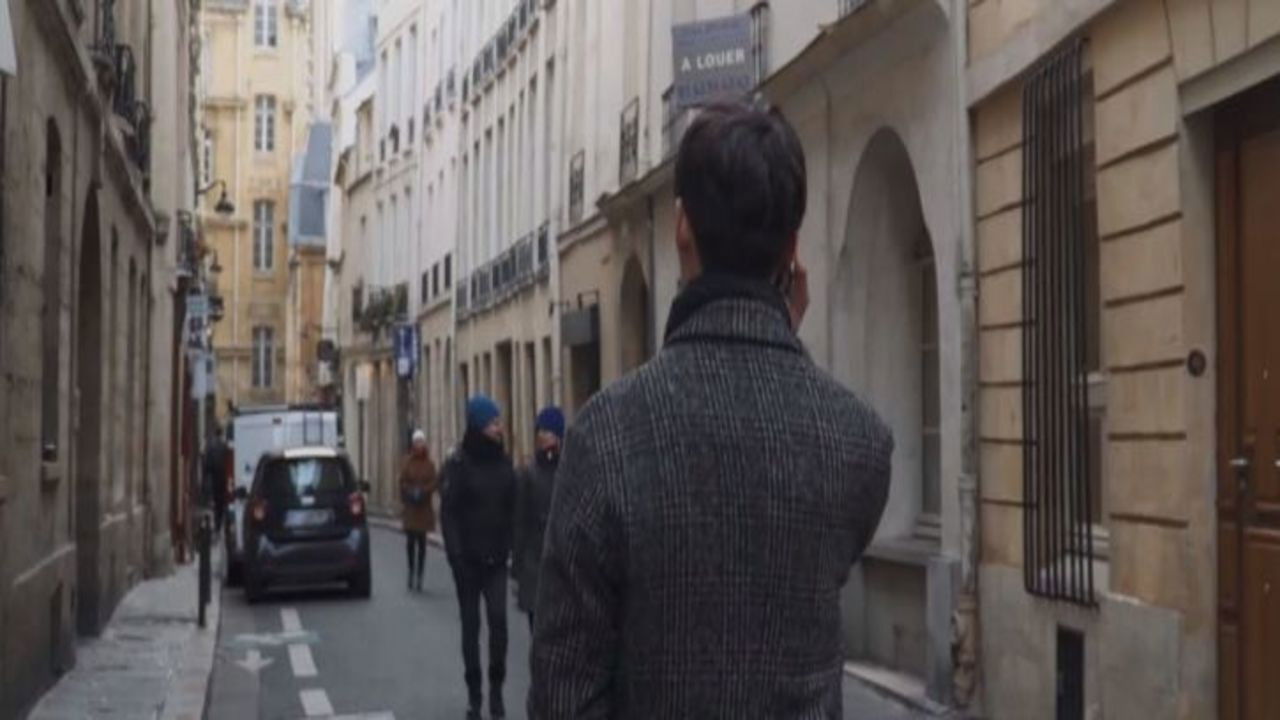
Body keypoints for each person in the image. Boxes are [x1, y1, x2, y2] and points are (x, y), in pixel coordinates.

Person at [528, 103, 893, 718]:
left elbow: (563, 693)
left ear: (681, 227)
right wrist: (778, 338)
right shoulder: (857, 443)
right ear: (792, 249)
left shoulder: (605, 435)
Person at [441, 395, 517, 720]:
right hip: (468, 564)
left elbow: (514, 507)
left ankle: (496, 688)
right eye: (493, 422)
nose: (499, 428)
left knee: (499, 624)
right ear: (479, 425)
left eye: (499, 422)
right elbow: (448, 512)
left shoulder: (504, 464)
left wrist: (511, 545)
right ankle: (475, 693)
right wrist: (456, 556)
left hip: (496, 560)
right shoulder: (459, 465)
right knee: (471, 628)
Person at [513, 406, 564, 628]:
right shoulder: (528, 473)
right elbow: (520, 521)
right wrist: (517, 565)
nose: (543, 436)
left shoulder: (569, 469)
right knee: (537, 625)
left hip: (563, 559)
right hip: (534, 559)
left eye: (549, 431)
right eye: (541, 431)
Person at [400, 429, 439, 591]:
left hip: (423, 508)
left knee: (422, 543)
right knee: (410, 542)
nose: (419, 445)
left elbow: (434, 481)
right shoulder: (407, 462)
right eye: (417, 442)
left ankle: (420, 575)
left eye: (421, 442)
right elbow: (402, 481)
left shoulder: (429, 464)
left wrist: (424, 491)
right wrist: (409, 491)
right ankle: (411, 571)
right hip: (411, 508)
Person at [203, 427, 230, 532]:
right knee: (222, 503)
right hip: (223, 478)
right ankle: (220, 523)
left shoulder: (211, 447)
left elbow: (206, 464)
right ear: (221, 434)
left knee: (216, 501)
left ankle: (217, 524)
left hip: (214, 477)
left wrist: (205, 479)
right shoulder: (224, 446)